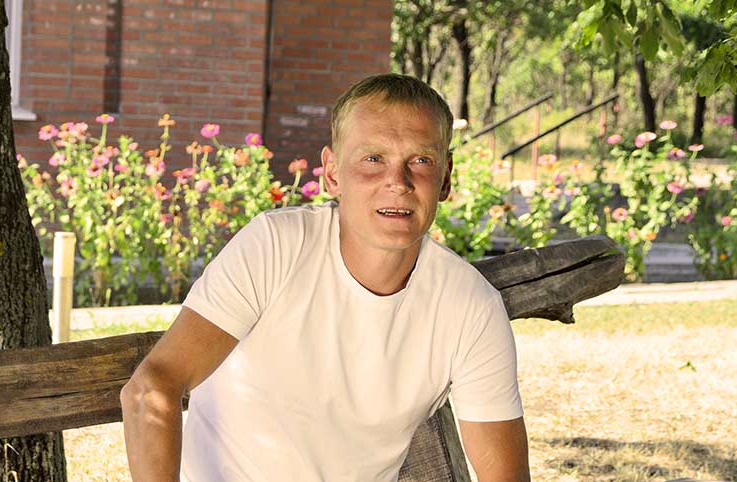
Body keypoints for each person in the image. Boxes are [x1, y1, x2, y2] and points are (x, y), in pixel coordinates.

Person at [119, 73, 530, 482]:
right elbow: (149, 390)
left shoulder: (471, 308)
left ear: (445, 177)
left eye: (420, 160)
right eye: (373, 159)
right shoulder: (276, 247)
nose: (398, 182)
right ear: (332, 173)